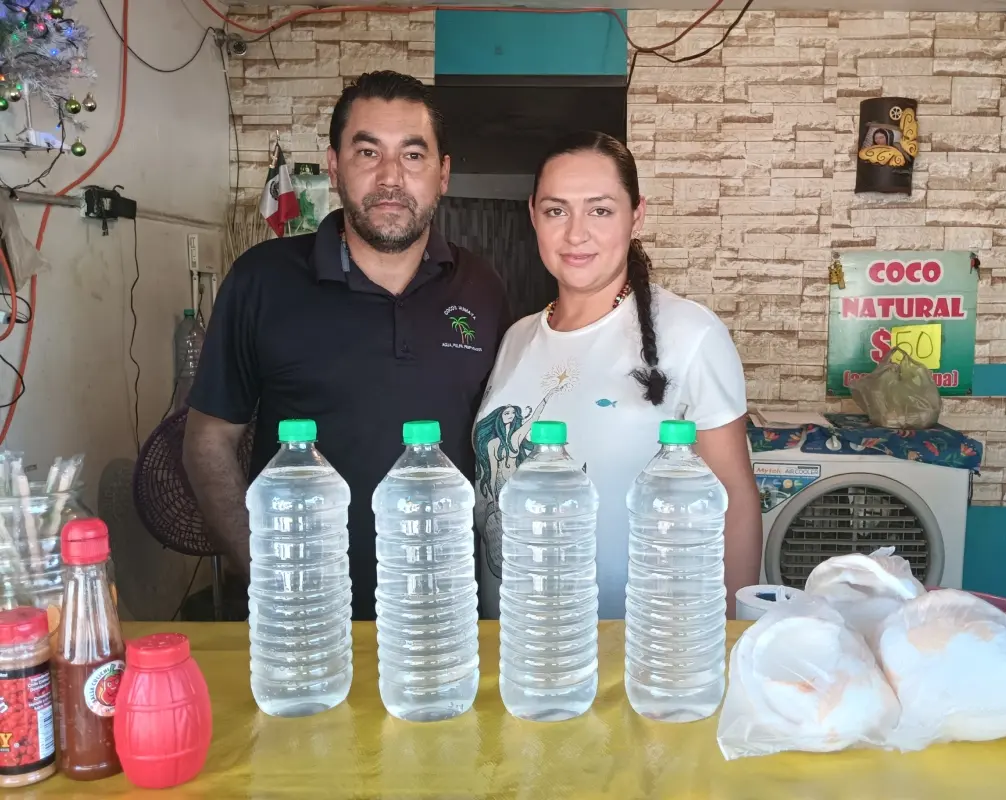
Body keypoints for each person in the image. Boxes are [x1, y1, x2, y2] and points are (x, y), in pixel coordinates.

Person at [184, 71, 510, 620]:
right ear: (335, 165)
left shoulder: (482, 285)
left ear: (443, 173)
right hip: (306, 624)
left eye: (412, 155)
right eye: (367, 152)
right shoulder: (262, 281)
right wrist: (268, 577)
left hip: (447, 617)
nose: (390, 178)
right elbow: (208, 442)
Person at [472, 131, 762, 620]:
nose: (576, 233)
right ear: (533, 216)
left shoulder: (691, 335)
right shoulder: (516, 338)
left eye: (600, 210)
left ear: (637, 215)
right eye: (556, 210)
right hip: (513, 649)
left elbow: (733, 498)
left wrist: (728, 642)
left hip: (638, 654)